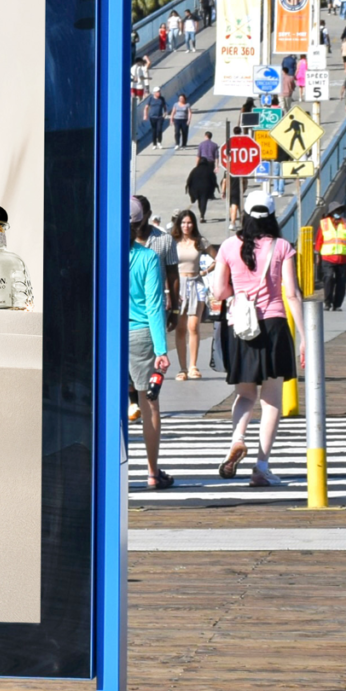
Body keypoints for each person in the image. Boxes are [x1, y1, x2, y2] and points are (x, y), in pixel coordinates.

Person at [210, 195, 303, 488]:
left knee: (245, 393)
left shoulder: (227, 246)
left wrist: (239, 289)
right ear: (273, 216)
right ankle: (261, 466)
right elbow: (292, 294)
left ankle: (237, 439)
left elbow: (218, 291)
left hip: (241, 327)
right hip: (274, 325)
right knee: (271, 399)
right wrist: (304, 336)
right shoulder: (282, 246)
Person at [128, 200, 173, 490]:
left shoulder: (102, 253)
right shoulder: (147, 258)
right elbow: (155, 305)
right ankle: (152, 471)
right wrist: (161, 350)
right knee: (150, 405)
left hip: (110, 334)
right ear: (141, 224)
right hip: (142, 334)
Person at [169, 209, 211, 380]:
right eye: (183, 222)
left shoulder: (200, 241)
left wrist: (206, 271)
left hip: (196, 283)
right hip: (178, 285)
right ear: (179, 224)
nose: (186, 226)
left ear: (194, 224)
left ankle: (193, 365)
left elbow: (218, 257)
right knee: (180, 327)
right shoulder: (173, 242)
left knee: (193, 326)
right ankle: (182, 368)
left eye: (189, 222)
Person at [316, 204, 346, 312]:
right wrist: (317, 254)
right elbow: (319, 239)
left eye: (339, 211)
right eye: (336, 211)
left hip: (342, 258)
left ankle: (337, 304)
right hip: (328, 257)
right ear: (331, 212)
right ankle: (327, 303)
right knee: (328, 277)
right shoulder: (324, 223)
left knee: (341, 282)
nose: (338, 213)